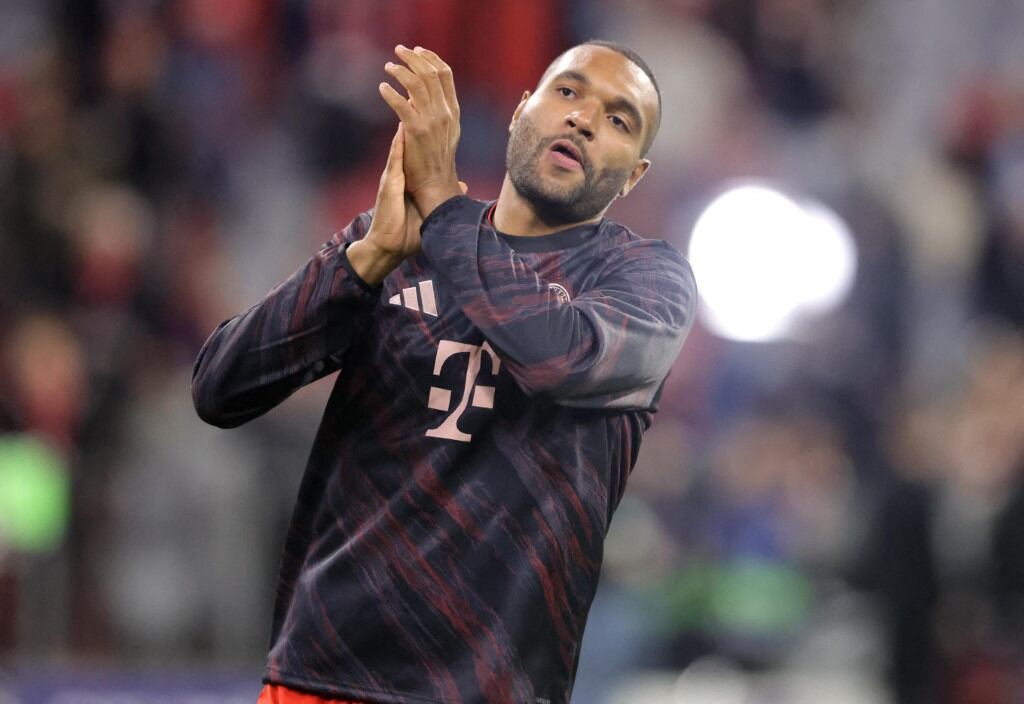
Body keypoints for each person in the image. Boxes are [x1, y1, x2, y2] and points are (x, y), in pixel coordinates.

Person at [192, 40, 697, 704]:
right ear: (521, 111)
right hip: (325, 672)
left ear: (634, 175)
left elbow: (557, 357)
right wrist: (363, 260)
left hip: (489, 688)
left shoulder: (646, 281)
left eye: (619, 120)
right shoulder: (398, 241)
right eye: (568, 91)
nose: (583, 119)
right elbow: (220, 389)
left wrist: (441, 210)